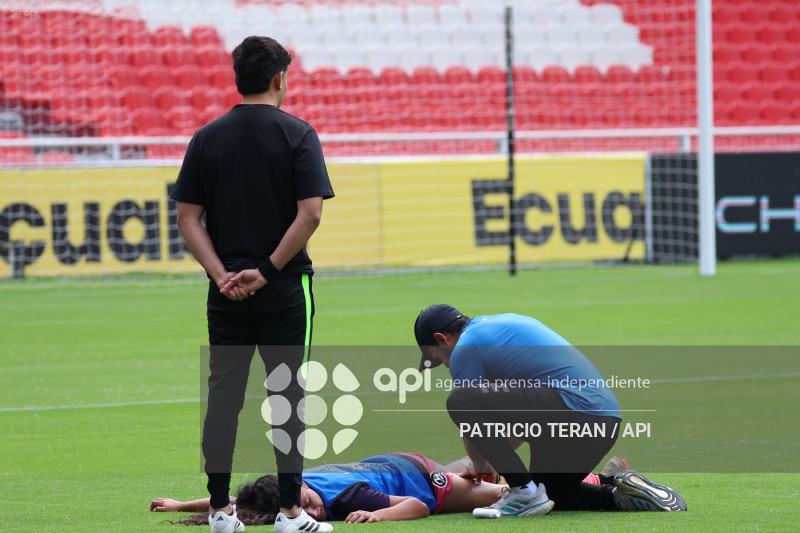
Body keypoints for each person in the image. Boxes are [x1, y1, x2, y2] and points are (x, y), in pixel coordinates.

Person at [171, 35, 334, 533]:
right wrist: (265, 271)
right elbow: (310, 214)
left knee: (223, 399)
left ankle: (221, 512)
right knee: (287, 397)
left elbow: (187, 218)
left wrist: (220, 274)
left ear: (238, 77)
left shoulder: (206, 137)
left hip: (225, 294)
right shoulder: (298, 134)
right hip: (283, 288)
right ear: (279, 78)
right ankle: (290, 513)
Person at [413, 304, 687, 516]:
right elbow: (517, 420)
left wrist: (481, 470)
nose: (447, 366)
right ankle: (620, 495)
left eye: (438, 359)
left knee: (459, 399)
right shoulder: (501, 324)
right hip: (602, 423)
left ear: (441, 338)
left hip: (573, 411)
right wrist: (496, 458)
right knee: (551, 497)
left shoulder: (467, 346)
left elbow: (471, 417)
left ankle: (523, 490)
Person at [150, 453, 632, 525]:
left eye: (308, 506)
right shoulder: (287, 483)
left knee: (512, 497)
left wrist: (378, 516)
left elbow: (417, 505)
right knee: (482, 473)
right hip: (398, 462)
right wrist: (181, 504)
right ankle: (601, 476)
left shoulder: (348, 499)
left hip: (422, 483)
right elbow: (237, 500)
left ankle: (606, 484)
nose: (310, 514)